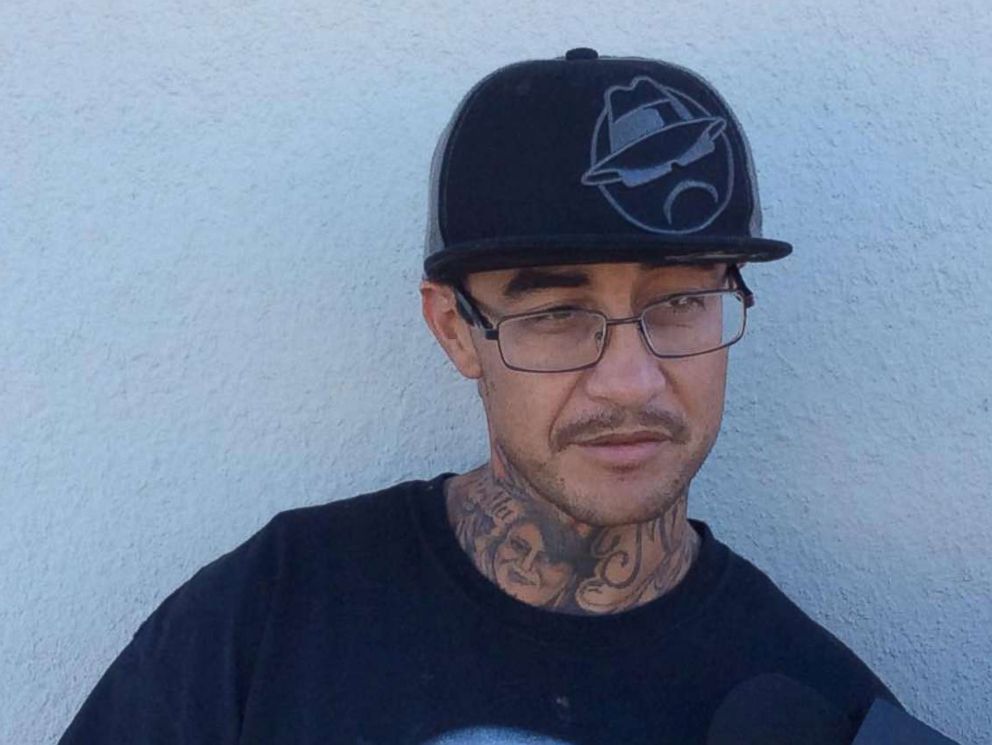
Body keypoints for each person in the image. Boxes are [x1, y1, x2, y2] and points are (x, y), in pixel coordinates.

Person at [59, 48, 899, 744]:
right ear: (456, 330)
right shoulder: (275, 614)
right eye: (557, 312)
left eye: (679, 301)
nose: (631, 379)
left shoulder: (822, 705)